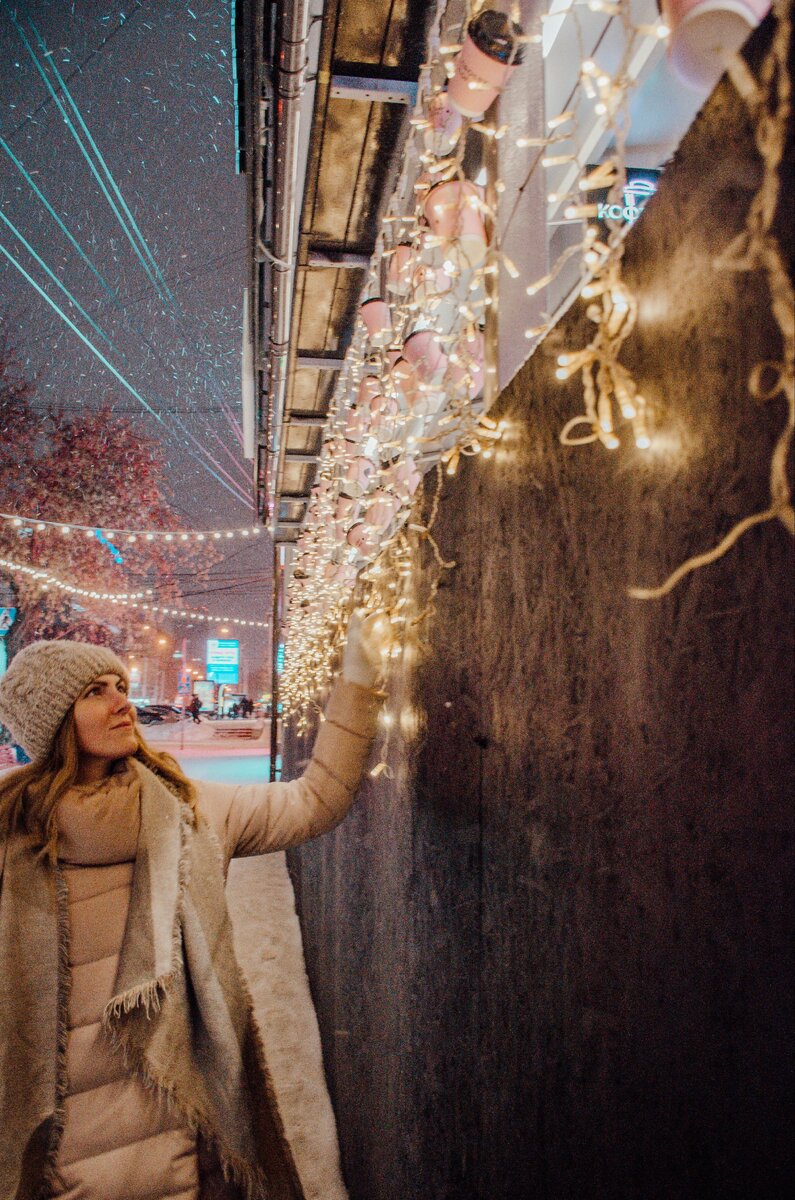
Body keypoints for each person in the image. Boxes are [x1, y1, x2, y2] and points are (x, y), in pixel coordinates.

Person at [0, 612, 386, 1200]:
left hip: (182, 1131)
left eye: (121, 688)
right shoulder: (11, 839)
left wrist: (358, 679)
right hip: (52, 1151)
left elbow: (317, 800)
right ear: (52, 722)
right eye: (94, 693)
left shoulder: (195, 813)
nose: (121, 703)